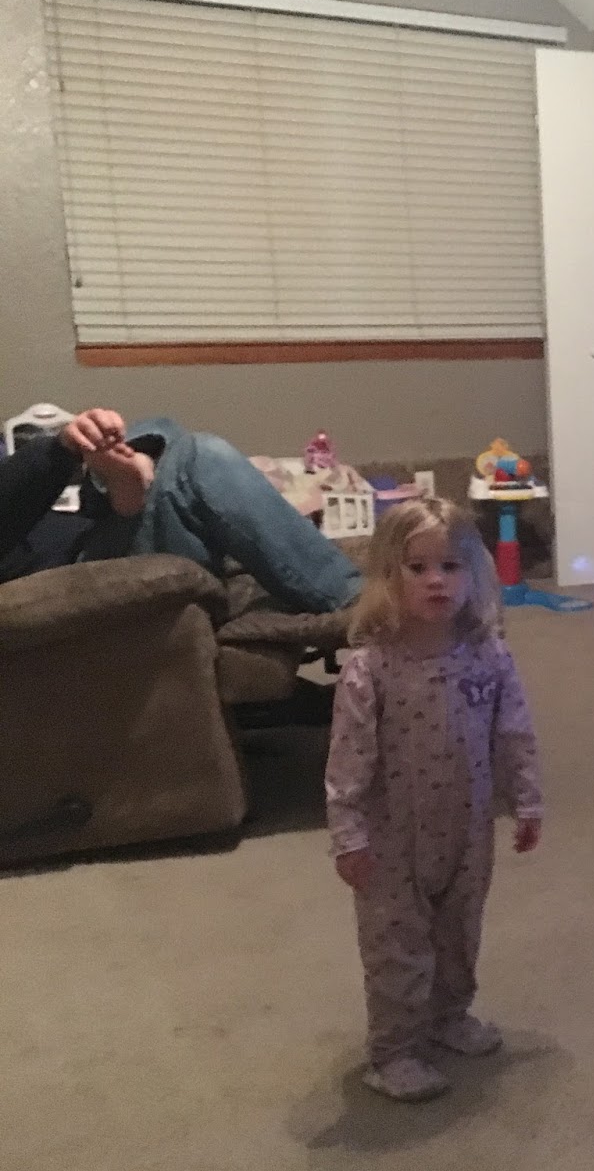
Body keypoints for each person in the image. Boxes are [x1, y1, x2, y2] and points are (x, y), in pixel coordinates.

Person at [324, 497, 543, 1103]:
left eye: (450, 566)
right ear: (388, 577)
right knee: (396, 945)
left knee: (459, 930)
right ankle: (393, 1051)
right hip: (392, 840)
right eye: (417, 568)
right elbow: (347, 763)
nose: (436, 581)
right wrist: (348, 837)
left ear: (474, 574)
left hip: (469, 827)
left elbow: (514, 733)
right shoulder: (370, 669)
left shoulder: (490, 655)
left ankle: (449, 1015)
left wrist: (527, 800)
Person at [0, 408, 360, 614]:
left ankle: (131, 476)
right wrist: (63, 447)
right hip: (76, 575)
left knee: (159, 426)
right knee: (200, 456)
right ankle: (354, 601)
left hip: (88, 531)